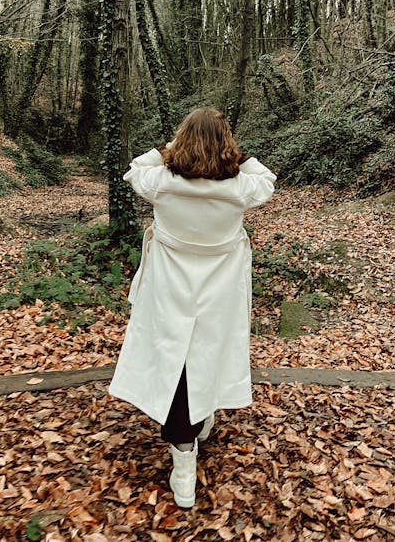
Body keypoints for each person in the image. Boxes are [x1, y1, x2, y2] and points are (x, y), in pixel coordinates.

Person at [108, 107, 276, 508]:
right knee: (207, 353)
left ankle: (186, 455)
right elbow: (266, 179)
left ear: (180, 142)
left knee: (174, 358)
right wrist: (236, 155)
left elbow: (134, 169)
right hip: (219, 292)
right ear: (225, 144)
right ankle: (191, 436)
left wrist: (166, 150)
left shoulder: (162, 182)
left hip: (169, 289)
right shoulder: (238, 188)